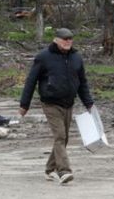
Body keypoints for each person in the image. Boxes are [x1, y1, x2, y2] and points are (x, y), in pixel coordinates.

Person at [18, 28, 94, 185]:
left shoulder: (76, 58)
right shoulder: (44, 57)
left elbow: (82, 83)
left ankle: (49, 169)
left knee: (63, 138)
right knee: (60, 136)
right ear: (56, 40)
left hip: (68, 103)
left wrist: (89, 104)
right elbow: (31, 81)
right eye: (64, 39)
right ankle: (64, 171)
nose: (68, 42)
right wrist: (24, 104)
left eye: (70, 39)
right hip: (50, 103)